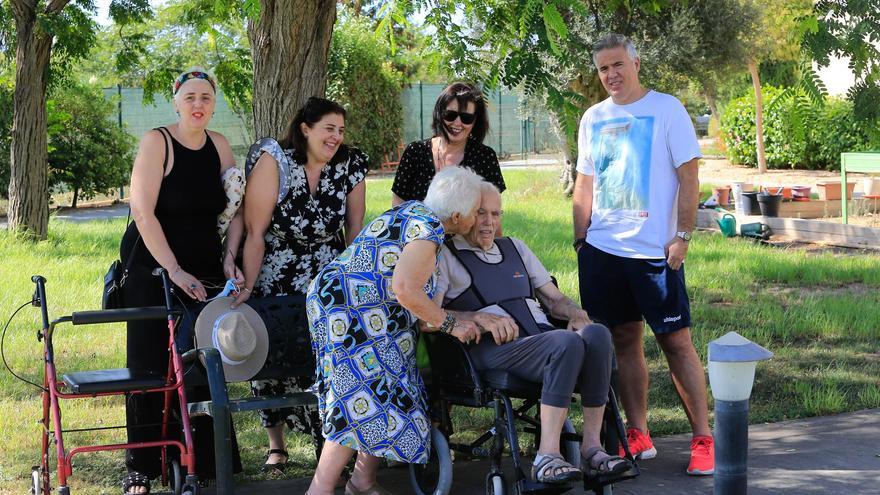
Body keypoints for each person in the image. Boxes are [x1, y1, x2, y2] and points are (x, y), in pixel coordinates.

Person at [571, 34, 713, 476]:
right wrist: (581, 240)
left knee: (676, 342)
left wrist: (683, 234)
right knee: (623, 342)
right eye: (602, 69)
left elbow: (689, 178)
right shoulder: (593, 118)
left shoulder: (667, 108)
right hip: (603, 251)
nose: (610, 75)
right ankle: (639, 433)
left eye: (617, 65)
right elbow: (585, 183)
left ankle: (703, 439)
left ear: (635, 62)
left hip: (656, 252)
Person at [305, 167, 492, 495]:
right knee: (357, 397)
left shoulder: (413, 213)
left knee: (385, 389)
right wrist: (452, 325)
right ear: (459, 214)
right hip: (351, 313)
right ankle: (319, 490)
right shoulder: (428, 229)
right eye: (477, 212)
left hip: (355, 309)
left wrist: (458, 317)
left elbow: (418, 308)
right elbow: (405, 289)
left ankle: (362, 482)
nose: (479, 220)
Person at [435, 185, 632, 483]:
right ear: (462, 216)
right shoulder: (446, 256)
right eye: (481, 214)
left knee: (598, 335)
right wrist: (475, 317)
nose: (489, 222)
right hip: (494, 350)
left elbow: (554, 300)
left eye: (496, 213)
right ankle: (547, 456)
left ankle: (593, 449)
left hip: (541, 340)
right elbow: (429, 315)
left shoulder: (516, 248)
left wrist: (577, 314)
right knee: (564, 342)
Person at [120, 68, 244, 494]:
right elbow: (142, 210)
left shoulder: (220, 145)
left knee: (200, 363)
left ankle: (203, 459)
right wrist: (173, 269)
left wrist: (230, 257)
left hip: (205, 268)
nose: (198, 105)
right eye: (190, 97)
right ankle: (142, 464)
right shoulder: (157, 141)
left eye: (206, 98)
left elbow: (237, 210)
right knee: (151, 366)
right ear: (175, 101)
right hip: (153, 267)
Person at [228, 97, 368, 472]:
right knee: (270, 353)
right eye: (329, 129)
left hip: (327, 272)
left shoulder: (351, 164)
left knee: (326, 355)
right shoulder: (276, 161)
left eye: (341, 130)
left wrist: (355, 283)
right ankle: (277, 445)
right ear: (306, 128)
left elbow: (354, 230)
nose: (336, 137)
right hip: (276, 270)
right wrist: (248, 288)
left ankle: (331, 438)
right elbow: (255, 232)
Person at [391, 82, 506, 207]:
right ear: (440, 114)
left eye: (466, 118)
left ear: (475, 122)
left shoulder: (485, 157)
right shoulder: (415, 152)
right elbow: (398, 205)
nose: (457, 123)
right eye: (450, 115)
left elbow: (491, 214)